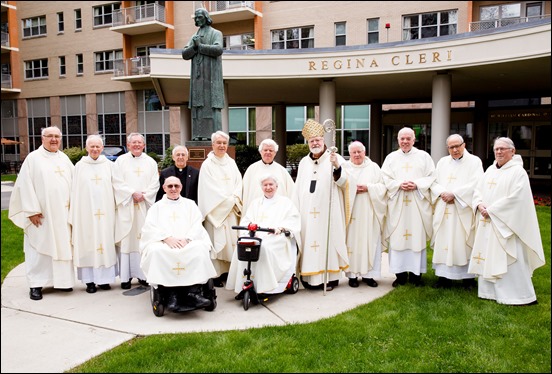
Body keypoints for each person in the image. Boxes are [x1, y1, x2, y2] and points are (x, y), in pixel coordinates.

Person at [468, 137, 545, 305]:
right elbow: (478, 191)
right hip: (488, 221)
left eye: (503, 149)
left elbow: (517, 199)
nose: (499, 152)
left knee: (510, 260)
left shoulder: (518, 172)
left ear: (513, 151)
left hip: (507, 225)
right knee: (488, 255)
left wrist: (492, 210)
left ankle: (517, 296)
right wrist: (479, 204)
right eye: (496, 149)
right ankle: (488, 292)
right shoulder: (490, 170)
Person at [8, 126, 75, 300]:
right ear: (42, 138)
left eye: (57, 137)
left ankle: (62, 282)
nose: (54, 140)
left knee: (62, 246)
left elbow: (75, 184)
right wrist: (31, 211)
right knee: (39, 249)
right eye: (50, 136)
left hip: (63, 214)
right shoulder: (33, 159)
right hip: (41, 215)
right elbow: (24, 185)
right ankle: (36, 285)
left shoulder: (64, 158)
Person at [140, 176, 217, 309]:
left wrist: (187, 239)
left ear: (181, 187)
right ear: (164, 188)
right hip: (164, 242)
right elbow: (149, 227)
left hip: (187, 241)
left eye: (176, 186)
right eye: (170, 186)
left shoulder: (190, 204)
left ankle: (194, 292)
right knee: (157, 251)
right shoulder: (156, 207)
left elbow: (197, 225)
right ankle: (172, 295)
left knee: (199, 249)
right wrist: (166, 238)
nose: (173, 189)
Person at [292, 119, 349, 291]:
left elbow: (345, 183)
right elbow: (298, 189)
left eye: (318, 139)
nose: (315, 143)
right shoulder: (303, 162)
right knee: (309, 242)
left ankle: (330, 279)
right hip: (307, 213)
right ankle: (310, 279)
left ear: (323, 140)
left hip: (328, 212)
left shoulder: (334, 158)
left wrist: (337, 166)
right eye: (312, 140)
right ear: (308, 143)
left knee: (328, 242)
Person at [226, 174, 301, 297]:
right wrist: (249, 228)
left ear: (276, 186)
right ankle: (243, 283)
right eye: (265, 185)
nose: (268, 187)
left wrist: (281, 228)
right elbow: (246, 220)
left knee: (264, 247)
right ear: (261, 187)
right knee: (241, 246)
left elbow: (293, 220)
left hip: (277, 237)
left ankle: (266, 286)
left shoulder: (285, 203)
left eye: (271, 184)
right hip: (256, 235)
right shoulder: (256, 203)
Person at [381, 127, 435, 287]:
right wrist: (398, 184)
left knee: (415, 238)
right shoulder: (391, 158)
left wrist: (417, 184)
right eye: (402, 138)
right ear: (397, 140)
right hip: (397, 205)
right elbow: (384, 177)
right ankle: (400, 275)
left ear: (413, 139)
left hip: (417, 206)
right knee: (398, 238)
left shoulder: (424, 157)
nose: (405, 141)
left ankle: (416, 275)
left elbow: (432, 176)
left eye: (408, 138)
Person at [430, 134, 483, 289]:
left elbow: (477, 183)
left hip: (463, 209)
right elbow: (434, 182)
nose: (455, 149)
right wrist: (442, 193)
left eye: (457, 146)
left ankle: (468, 279)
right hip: (444, 208)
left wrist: (455, 194)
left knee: (463, 242)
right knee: (444, 241)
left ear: (464, 145)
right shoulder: (442, 162)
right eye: (451, 147)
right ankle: (443, 277)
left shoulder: (474, 162)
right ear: (448, 148)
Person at [69, 135, 119, 293]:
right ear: (86, 148)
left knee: (105, 243)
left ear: (102, 148)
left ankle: (104, 280)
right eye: (92, 146)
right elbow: (75, 191)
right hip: (86, 214)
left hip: (106, 213)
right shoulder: (79, 166)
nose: (95, 149)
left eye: (98, 146)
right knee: (88, 243)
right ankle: (89, 281)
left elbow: (117, 187)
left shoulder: (109, 165)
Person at [113, 132, 160, 289]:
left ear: (144, 145)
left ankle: (142, 275)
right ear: (128, 145)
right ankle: (125, 277)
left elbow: (155, 183)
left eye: (140, 143)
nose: (137, 145)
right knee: (127, 240)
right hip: (127, 206)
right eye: (133, 143)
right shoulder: (120, 161)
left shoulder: (151, 162)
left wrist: (144, 195)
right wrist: (131, 193)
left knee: (143, 240)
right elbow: (116, 182)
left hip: (143, 208)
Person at [198, 131, 243, 287]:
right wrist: (229, 201)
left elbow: (239, 183)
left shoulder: (231, 163)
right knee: (217, 242)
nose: (222, 146)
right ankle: (216, 275)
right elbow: (208, 190)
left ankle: (231, 271)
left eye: (224, 143)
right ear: (213, 145)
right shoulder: (207, 165)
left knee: (232, 242)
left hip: (231, 211)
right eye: (219, 143)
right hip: (216, 212)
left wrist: (234, 199)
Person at [341, 141, 387, 288]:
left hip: (369, 212)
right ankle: (352, 276)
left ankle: (369, 276)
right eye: (353, 152)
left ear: (364, 152)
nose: (356, 155)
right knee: (352, 244)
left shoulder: (373, 167)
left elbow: (383, 187)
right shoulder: (345, 168)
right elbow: (339, 186)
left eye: (359, 151)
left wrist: (368, 187)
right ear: (349, 154)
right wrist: (353, 189)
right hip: (351, 213)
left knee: (370, 241)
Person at [181, 8, 224, 140]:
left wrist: (200, 46)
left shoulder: (216, 33)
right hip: (197, 79)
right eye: (196, 17)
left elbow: (218, 49)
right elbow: (184, 54)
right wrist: (194, 47)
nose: (197, 19)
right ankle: (198, 135)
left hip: (211, 78)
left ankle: (212, 136)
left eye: (200, 17)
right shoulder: (194, 37)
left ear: (206, 17)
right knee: (197, 105)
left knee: (210, 106)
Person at [242, 138, 295, 213]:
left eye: (271, 150)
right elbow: (245, 193)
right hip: (256, 211)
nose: (268, 152)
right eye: (265, 150)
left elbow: (292, 193)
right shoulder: (251, 169)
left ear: (275, 153)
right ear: (260, 152)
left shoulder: (282, 171)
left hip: (277, 211)